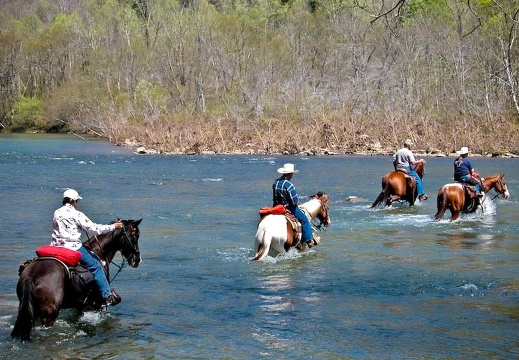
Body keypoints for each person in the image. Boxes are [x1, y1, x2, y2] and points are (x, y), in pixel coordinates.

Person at [50, 188, 122, 307]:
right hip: (73, 247)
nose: (77, 203)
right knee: (97, 267)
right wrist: (113, 227)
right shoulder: (76, 214)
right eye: (77, 201)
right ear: (73, 201)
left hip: (56, 246)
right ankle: (107, 296)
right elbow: (95, 229)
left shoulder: (57, 212)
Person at [272, 163, 319, 248]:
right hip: (289, 208)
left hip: (276, 207)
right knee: (304, 219)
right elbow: (294, 201)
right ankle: (309, 240)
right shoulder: (289, 185)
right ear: (291, 174)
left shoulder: (276, 183)